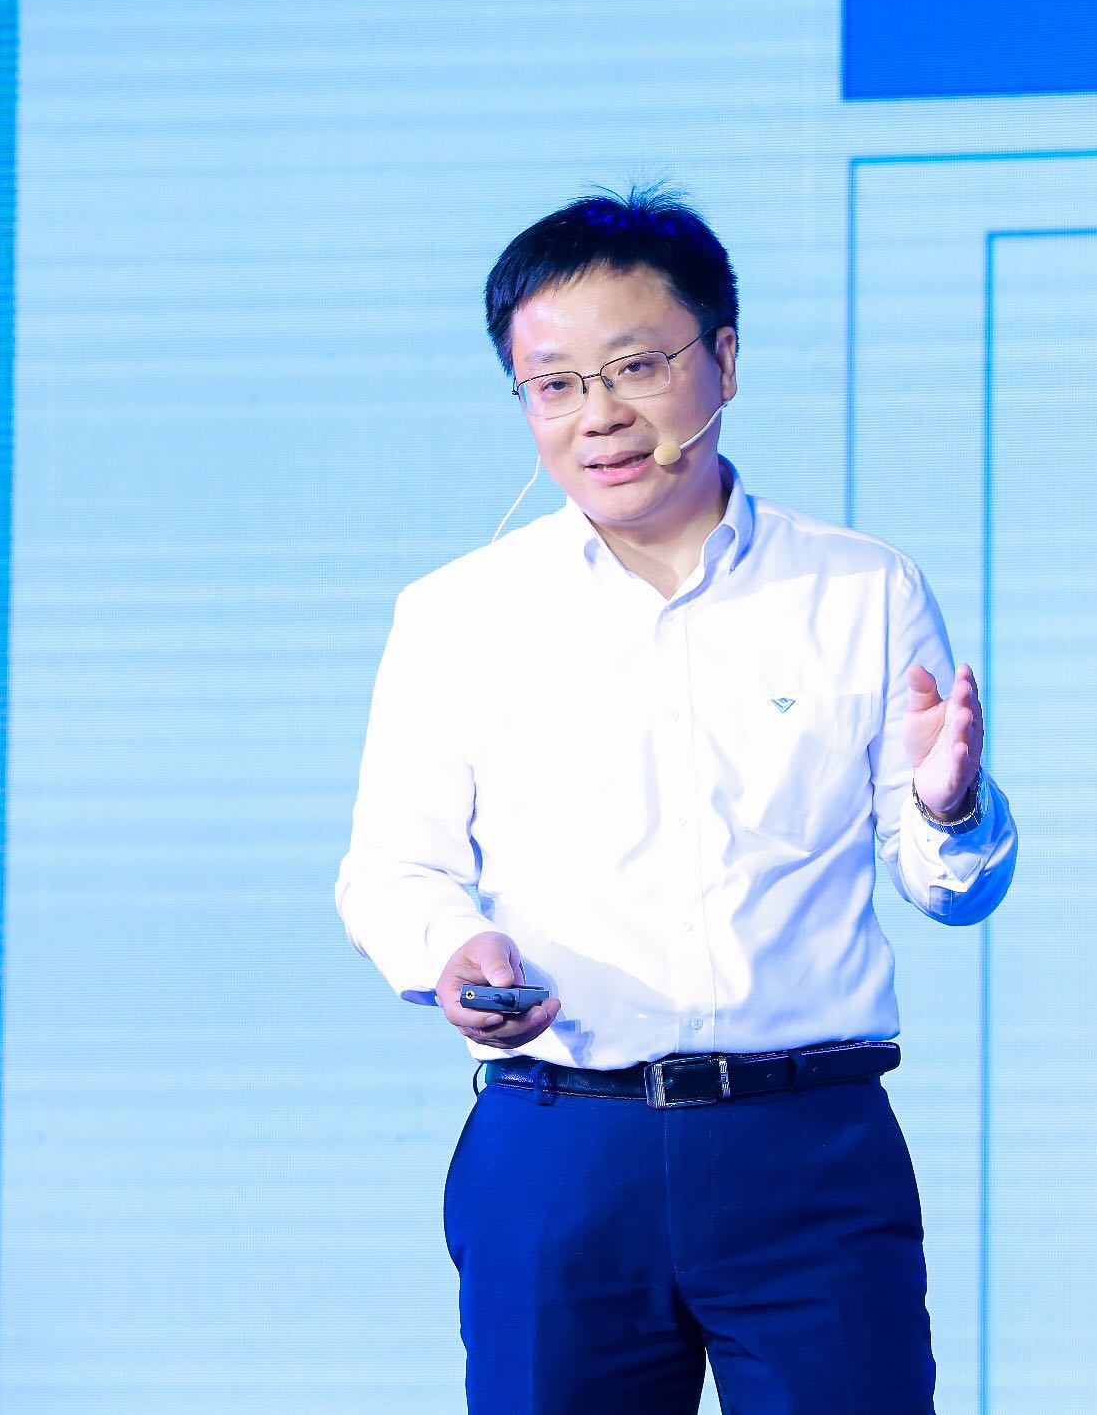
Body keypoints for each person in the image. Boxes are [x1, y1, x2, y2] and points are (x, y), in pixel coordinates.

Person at [333, 186, 1017, 1415]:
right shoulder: (457, 614)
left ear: (724, 361)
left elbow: (945, 888)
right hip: (559, 1145)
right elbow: (393, 867)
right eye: (552, 384)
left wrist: (950, 805)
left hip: (805, 1147)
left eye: (636, 367)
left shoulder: (859, 590)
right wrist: (451, 950)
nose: (597, 415)